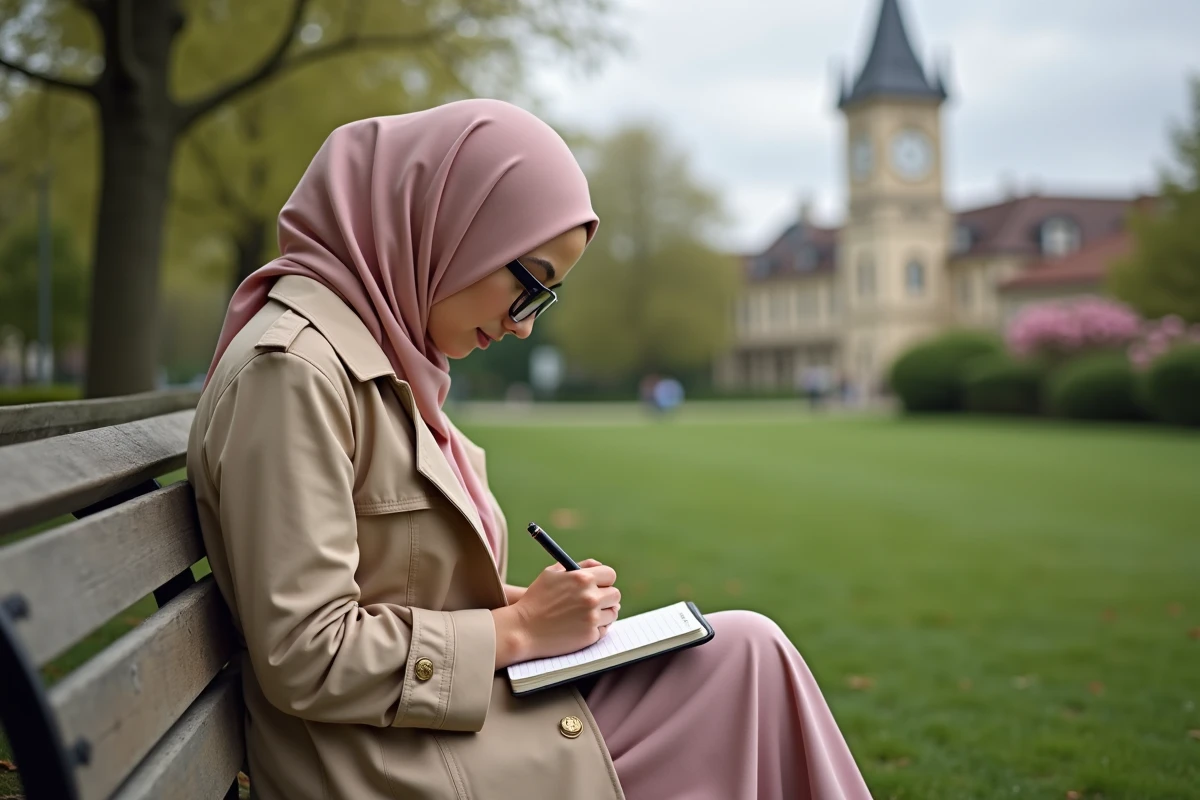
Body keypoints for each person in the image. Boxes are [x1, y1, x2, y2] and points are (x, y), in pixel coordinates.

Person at [187, 99, 872, 800]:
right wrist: (517, 629)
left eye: (544, 298)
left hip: (443, 730)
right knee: (743, 666)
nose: (523, 325)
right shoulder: (293, 373)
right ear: (450, 222)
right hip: (387, 767)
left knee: (748, 649)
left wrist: (539, 610)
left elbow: (392, 587)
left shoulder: (378, 361)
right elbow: (307, 652)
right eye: (529, 282)